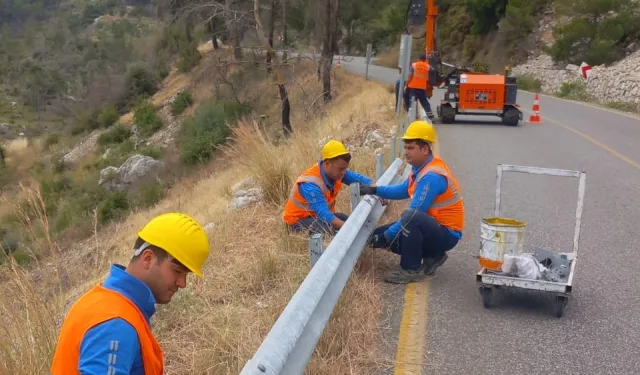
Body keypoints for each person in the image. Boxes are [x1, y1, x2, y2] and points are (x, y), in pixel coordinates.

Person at [50, 212, 211, 375]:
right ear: (148, 258)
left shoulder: (106, 300)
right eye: (177, 271)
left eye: (186, 275)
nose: (182, 283)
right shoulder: (116, 323)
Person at [358, 120, 464, 284]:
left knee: (408, 220)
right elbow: (402, 189)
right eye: (405, 147)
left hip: (447, 234)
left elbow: (414, 214)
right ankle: (433, 255)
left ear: (425, 149)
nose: (406, 152)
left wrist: (386, 237)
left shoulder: (431, 177)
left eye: (411, 148)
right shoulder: (420, 168)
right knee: (377, 234)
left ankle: (410, 269)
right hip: (434, 228)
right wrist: (375, 190)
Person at [283, 140, 375, 235]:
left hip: (316, 217)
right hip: (297, 222)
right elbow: (323, 213)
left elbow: (360, 179)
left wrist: (377, 189)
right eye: (340, 169)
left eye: (345, 168)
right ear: (327, 164)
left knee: (346, 219)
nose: (344, 172)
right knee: (332, 231)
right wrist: (349, 228)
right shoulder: (310, 184)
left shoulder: (337, 172)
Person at [403, 53, 435, 120]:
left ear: (418, 59)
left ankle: (414, 116)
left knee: (413, 101)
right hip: (422, 87)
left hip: (413, 87)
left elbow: (410, 75)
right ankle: (430, 115)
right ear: (425, 60)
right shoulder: (427, 66)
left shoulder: (414, 65)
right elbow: (433, 70)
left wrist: (406, 84)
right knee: (424, 102)